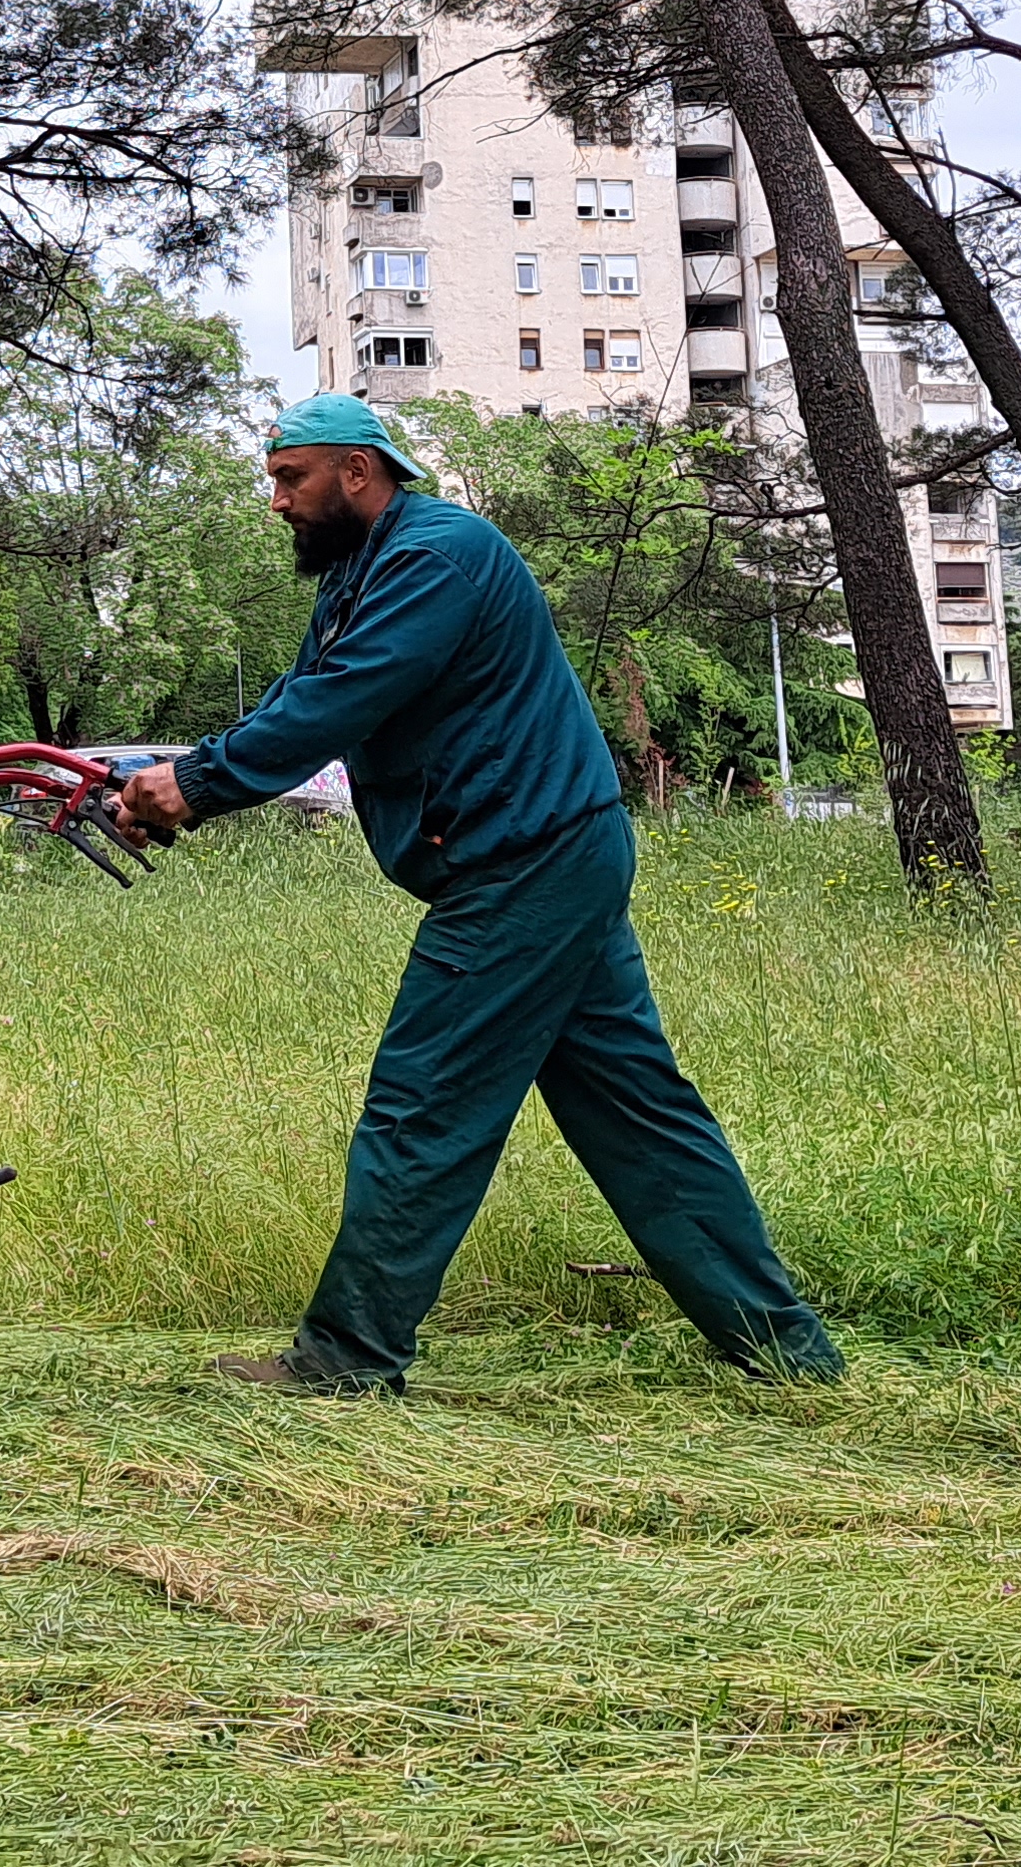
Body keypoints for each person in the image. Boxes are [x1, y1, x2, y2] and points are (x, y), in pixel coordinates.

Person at [119, 392, 841, 1393]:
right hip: (550, 853)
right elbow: (299, 695)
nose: (276, 501)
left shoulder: (435, 557)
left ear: (358, 474)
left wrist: (196, 787)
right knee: (636, 1113)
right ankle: (789, 1356)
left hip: (521, 866)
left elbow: (342, 700)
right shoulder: (365, 571)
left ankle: (349, 1359)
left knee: (423, 1105)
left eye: (292, 479)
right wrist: (180, 776)